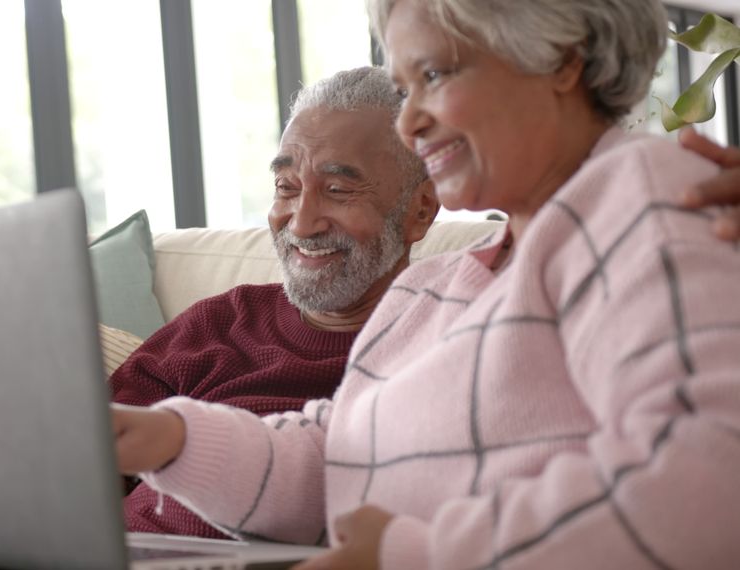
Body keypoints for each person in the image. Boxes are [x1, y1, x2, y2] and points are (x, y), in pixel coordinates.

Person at [113, 1, 740, 569]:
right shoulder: (434, 287)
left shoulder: (641, 198)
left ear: (560, 61)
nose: (409, 121)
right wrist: (171, 438)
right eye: (405, 87)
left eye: (433, 77)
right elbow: (343, 455)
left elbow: (708, 480)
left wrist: (406, 555)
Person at [0, 66, 440, 566]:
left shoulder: (442, 340)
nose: (300, 223)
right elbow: (77, 473)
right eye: (285, 187)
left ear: (420, 209)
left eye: (338, 188)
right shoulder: (217, 325)